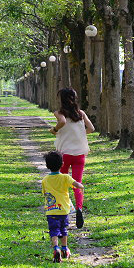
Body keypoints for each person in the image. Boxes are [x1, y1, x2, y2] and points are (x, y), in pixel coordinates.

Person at [50, 87, 95, 228]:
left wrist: (54, 130)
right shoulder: (80, 113)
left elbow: (62, 122)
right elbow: (91, 129)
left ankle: (65, 209)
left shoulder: (58, 113)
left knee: (63, 182)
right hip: (80, 154)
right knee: (77, 183)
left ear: (61, 99)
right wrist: (79, 135)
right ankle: (79, 208)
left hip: (64, 155)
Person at [42, 151, 84, 263]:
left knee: (53, 230)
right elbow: (77, 184)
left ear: (47, 166)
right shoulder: (65, 177)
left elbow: (44, 193)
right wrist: (81, 186)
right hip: (64, 210)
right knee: (63, 229)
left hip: (51, 211)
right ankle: (64, 248)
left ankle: (56, 248)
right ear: (62, 164)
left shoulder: (45, 180)